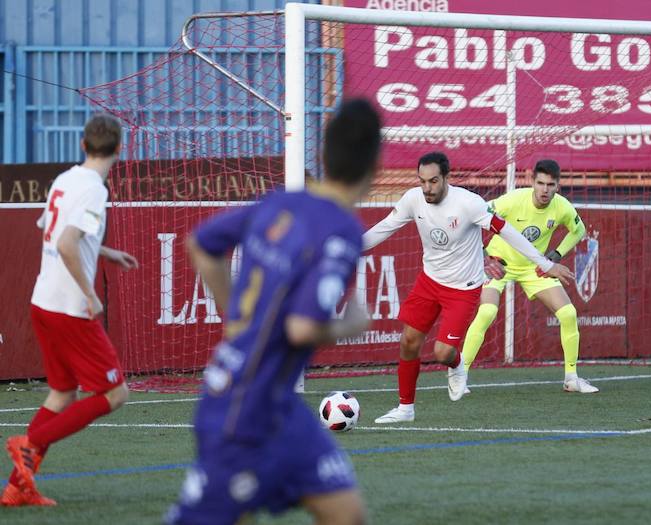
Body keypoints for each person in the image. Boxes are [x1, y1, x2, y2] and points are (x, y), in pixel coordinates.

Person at [165, 99, 381, 525]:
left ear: (324, 154)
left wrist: (237, 320)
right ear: (374, 166)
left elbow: (200, 245)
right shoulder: (341, 230)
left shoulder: (278, 202)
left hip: (280, 406)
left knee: (347, 515)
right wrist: (349, 324)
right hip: (242, 407)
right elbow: (302, 328)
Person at [364, 152, 575, 424]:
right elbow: (384, 228)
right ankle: (406, 408)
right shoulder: (413, 199)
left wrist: (545, 264)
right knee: (408, 342)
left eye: (433, 181)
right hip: (429, 281)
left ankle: (457, 363)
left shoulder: (469, 203)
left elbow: (507, 231)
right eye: (423, 181)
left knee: (442, 353)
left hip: (463, 288)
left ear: (447, 179)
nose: (427, 188)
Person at [3, 114, 138, 507]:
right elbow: (65, 242)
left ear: (83, 145)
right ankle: (31, 443)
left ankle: (17, 487)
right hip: (69, 307)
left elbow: (53, 229)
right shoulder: (95, 189)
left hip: (42, 301)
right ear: (118, 149)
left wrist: (105, 251)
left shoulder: (66, 179)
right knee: (115, 393)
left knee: (62, 392)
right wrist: (90, 295)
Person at [460, 159, 598, 395]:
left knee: (568, 313)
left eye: (550, 184)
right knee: (487, 311)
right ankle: (459, 376)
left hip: (534, 268)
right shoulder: (513, 200)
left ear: (558, 186)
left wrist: (555, 255)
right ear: (532, 182)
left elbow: (579, 230)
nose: (545, 189)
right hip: (498, 264)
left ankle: (571, 378)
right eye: (541, 183)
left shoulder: (562, 207)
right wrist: (483, 255)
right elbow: (474, 216)